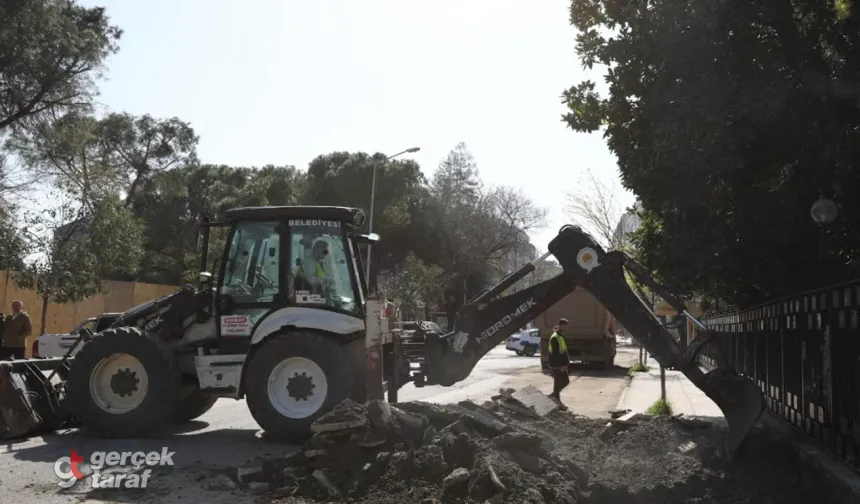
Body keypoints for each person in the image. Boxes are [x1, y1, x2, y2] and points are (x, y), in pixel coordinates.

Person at [548, 318, 571, 409]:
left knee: (565, 381)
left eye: (566, 326)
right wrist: (560, 365)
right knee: (558, 384)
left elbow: (563, 351)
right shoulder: (555, 337)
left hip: (561, 365)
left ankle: (553, 397)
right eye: (564, 325)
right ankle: (557, 403)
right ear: (560, 326)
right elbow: (555, 354)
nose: (566, 327)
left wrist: (565, 364)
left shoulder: (561, 336)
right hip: (557, 365)